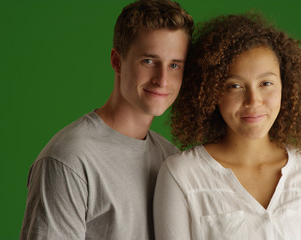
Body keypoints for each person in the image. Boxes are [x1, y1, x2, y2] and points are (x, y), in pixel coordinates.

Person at [154, 13, 301, 239]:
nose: (253, 101)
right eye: (234, 85)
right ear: (212, 93)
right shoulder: (183, 175)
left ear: (287, 87)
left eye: (266, 83)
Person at [19, 0, 193, 239]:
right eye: (149, 61)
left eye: (174, 65)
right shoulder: (69, 159)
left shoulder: (171, 158)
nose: (162, 80)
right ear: (117, 61)